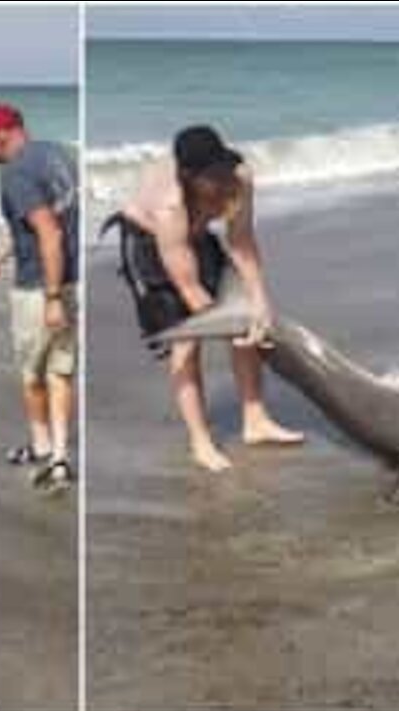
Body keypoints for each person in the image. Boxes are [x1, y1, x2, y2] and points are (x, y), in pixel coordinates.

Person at [107, 125, 304, 472]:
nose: (223, 178)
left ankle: (255, 419)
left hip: (193, 235)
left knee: (246, 314)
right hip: (151, 242)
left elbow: (241, 242)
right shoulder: (169, 205)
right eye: (213, 175)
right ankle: (200, 441)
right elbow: (189, 289)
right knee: (187, 340)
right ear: (190, 177)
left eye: (223, 168)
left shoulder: (239, 178)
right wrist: (227, 324)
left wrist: (259, 301)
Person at [0, 103, 79, 489]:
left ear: (1, 134)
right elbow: (52, 224)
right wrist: (3, 254)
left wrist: (50, 297)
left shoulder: (16, 173)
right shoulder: (58, 156)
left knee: (33, 374)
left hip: (40, 287)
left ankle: (41, 447)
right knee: (61, 371)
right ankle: (61, 457)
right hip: (73, 278)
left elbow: (48, 233)